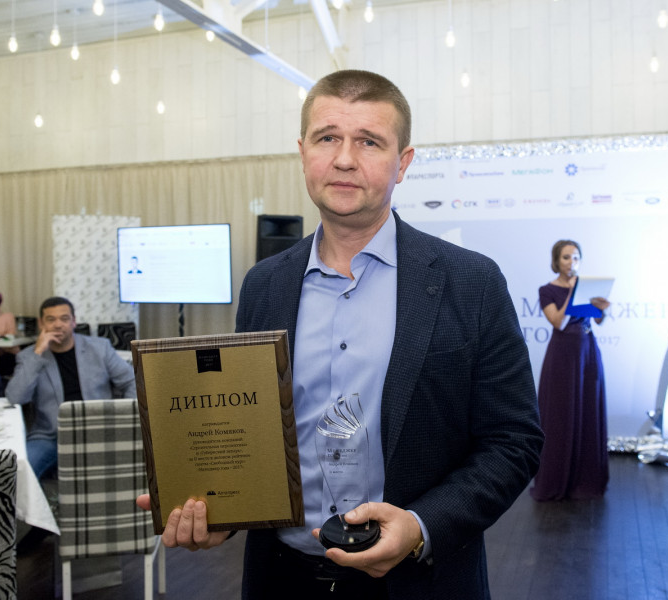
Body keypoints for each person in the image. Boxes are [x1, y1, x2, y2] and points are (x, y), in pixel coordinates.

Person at [136, 70, 543, 599]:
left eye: (369, 141)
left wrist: (421, 525)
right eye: (328, 137)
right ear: (303, 151)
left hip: (419, 583)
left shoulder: (471, 283)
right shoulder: (263, 285)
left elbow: (513, 441)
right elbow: (254, 436)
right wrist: (224, 512)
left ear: (403, 162)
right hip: (279, 581)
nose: (345, 159)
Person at [6, 296, 136, 479]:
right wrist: (38, 352)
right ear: (41, 323)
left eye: (64, 319)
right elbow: (15, 397)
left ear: (73, 322)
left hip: (99, 430)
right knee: (19, 473)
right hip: (51, 436)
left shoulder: (100, 348)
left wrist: (124, 418)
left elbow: (131, 381)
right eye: (51, 319)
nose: (58, 325)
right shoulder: (29, 356)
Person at [530, 240, 610, 502]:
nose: (571, 262)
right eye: (566, 257)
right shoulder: (547, 290)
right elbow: (558, 322)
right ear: (557, 261)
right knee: (561, 413)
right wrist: (575, 295)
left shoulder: (586, 285)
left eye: (576, 257)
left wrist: (601, 309)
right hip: (563, 354)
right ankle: (557, 480)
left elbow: (596, 320)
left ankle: (586, 480)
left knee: (588, 409)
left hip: (587, 351)